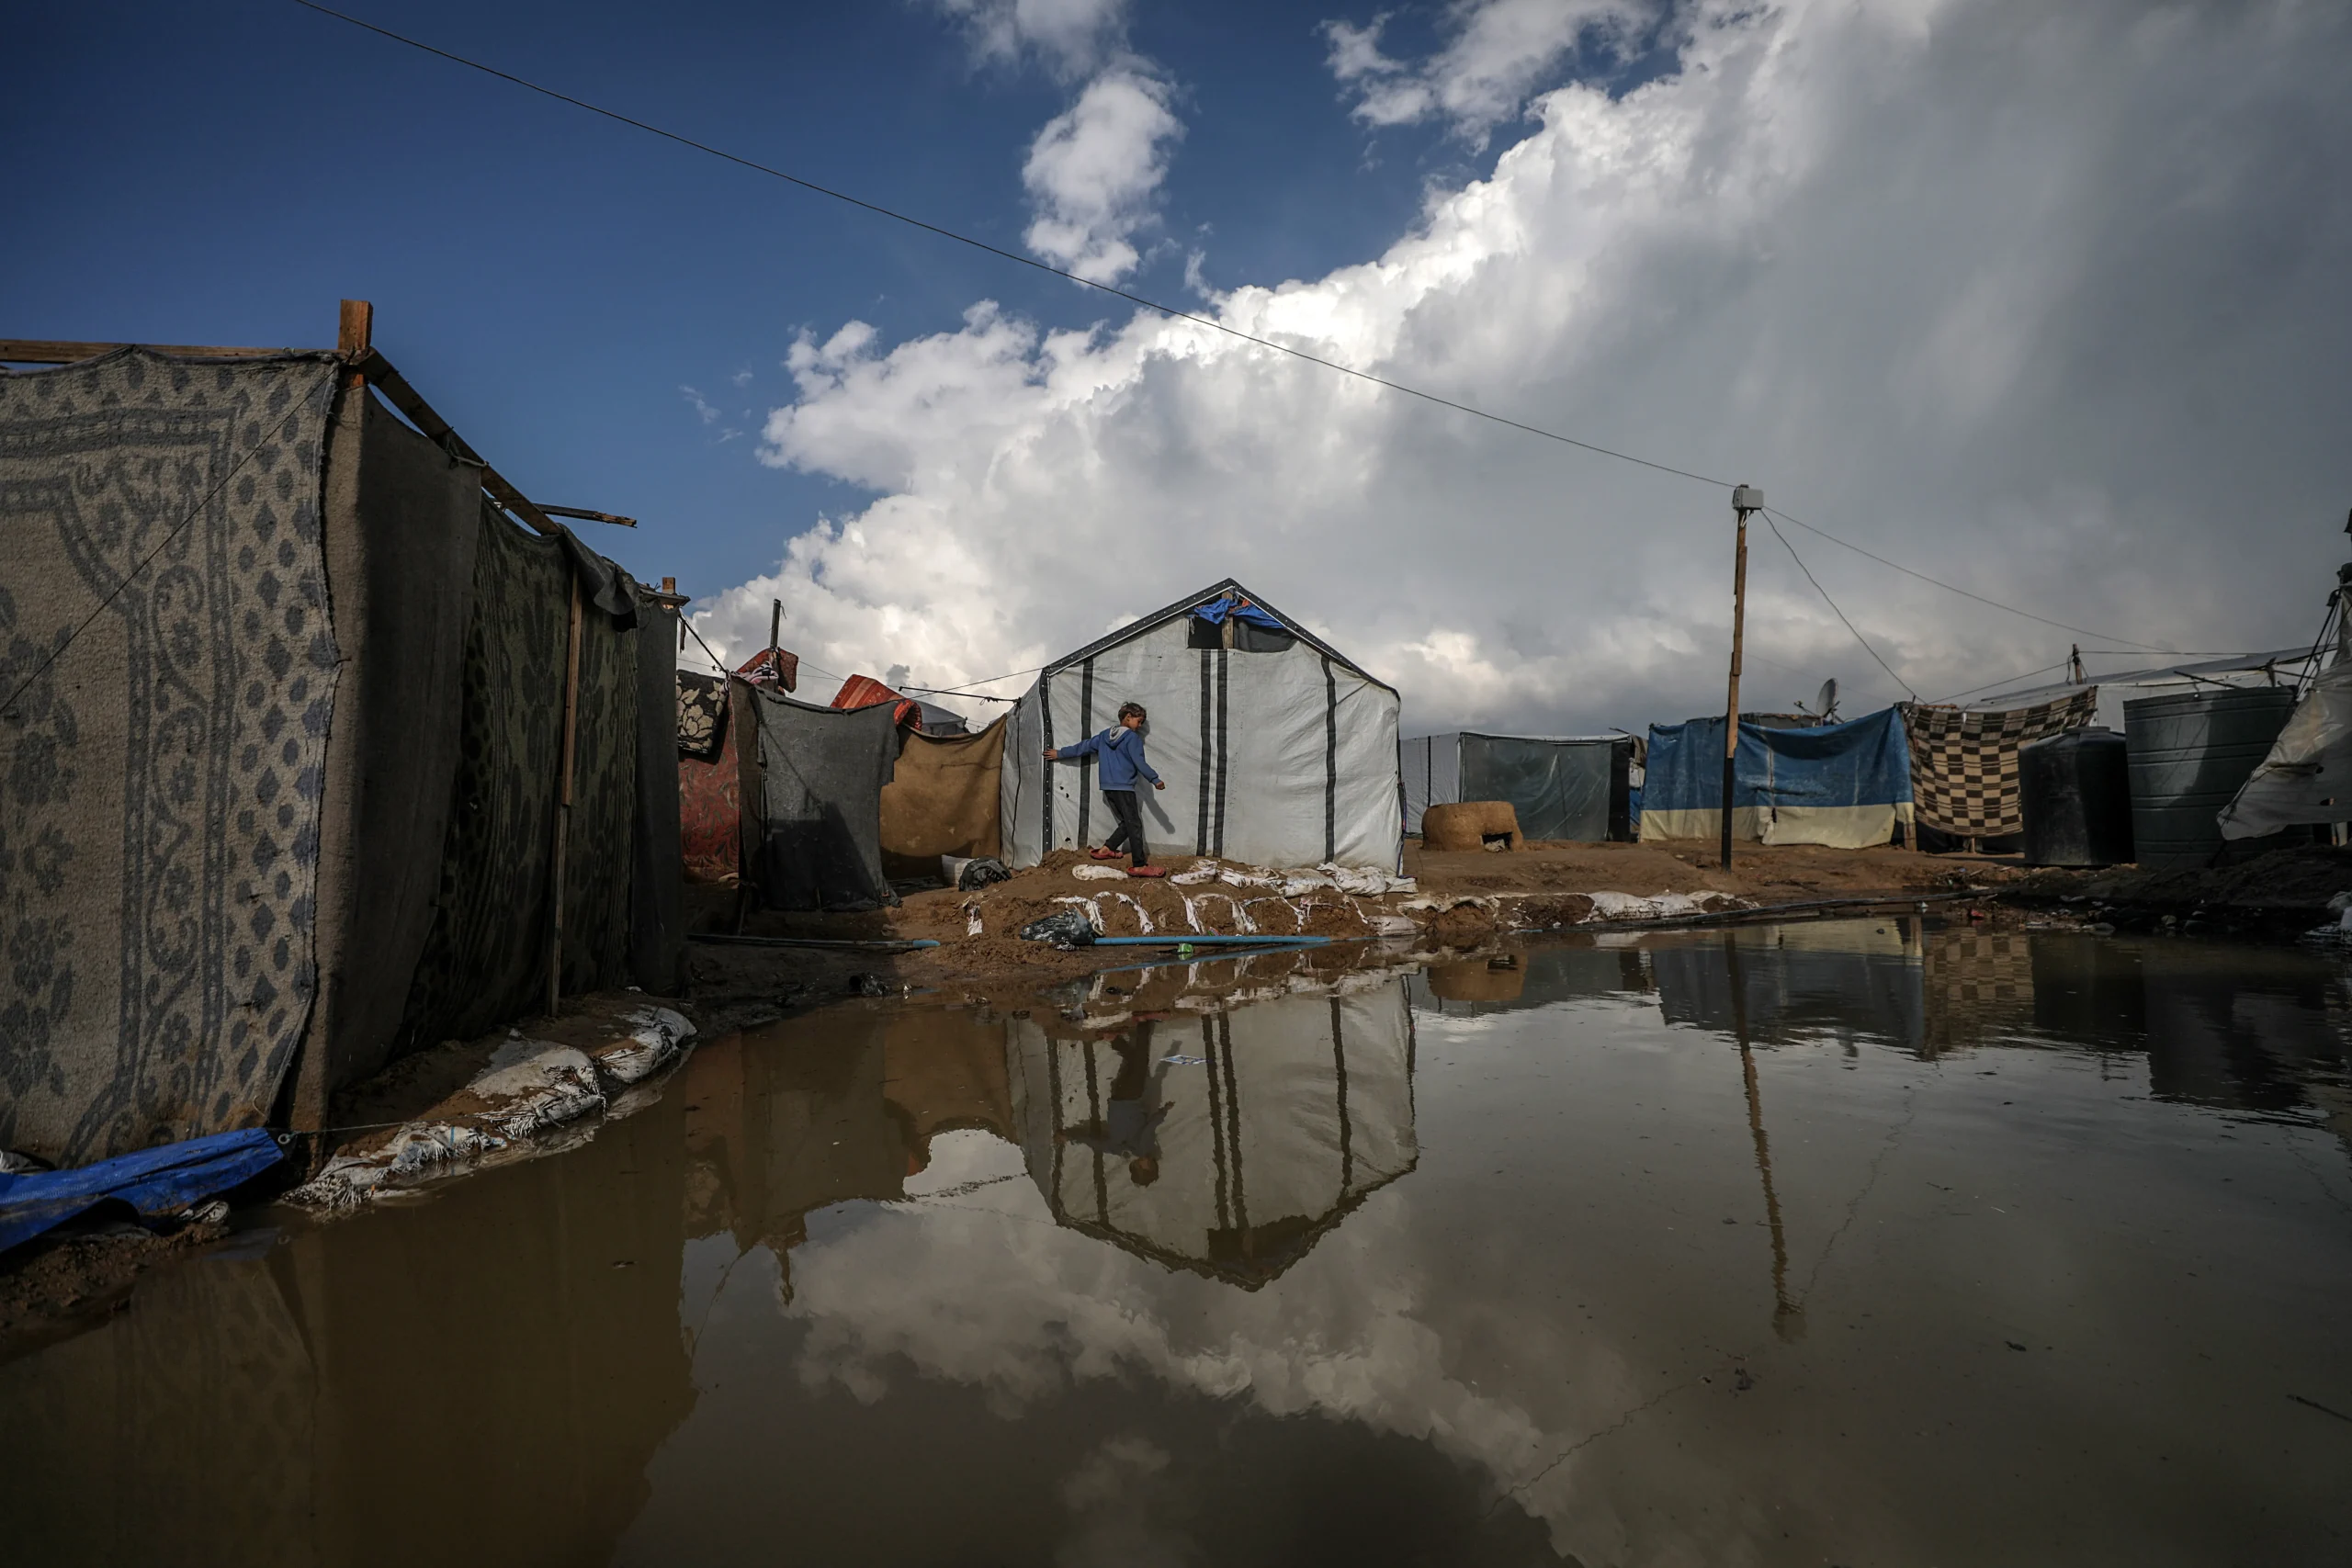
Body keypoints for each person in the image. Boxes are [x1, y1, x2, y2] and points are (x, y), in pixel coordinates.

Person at [1045, 700, 1167, 878]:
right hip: (1124, 788)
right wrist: (1155, 779)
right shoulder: (1132, 739)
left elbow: (1083, 747)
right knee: (1134, 825)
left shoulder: (1104, 736)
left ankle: (1106, 849)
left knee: (1127, 823)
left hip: (1108, 788)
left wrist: (1060, 753)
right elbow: (1140, 762)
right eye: (1138, 721)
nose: (1140, 726)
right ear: (1128, 717)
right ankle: (1139, 866)